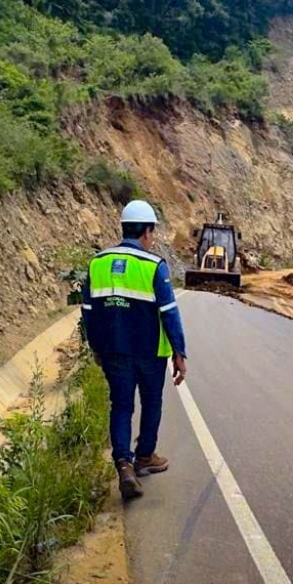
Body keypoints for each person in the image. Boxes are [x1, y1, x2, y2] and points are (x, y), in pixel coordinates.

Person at [81, 200, 188, 500]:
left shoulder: (97, 263)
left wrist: (96, 347)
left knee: (121, 406)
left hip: (114, 350)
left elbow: (88, 311)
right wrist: (179, 352)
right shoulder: (153, 266)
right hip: (150, 352)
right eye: (152, 232)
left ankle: (123, 465)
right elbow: (169, 312)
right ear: (147, 231)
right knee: (151, 403)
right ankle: (144, 457)